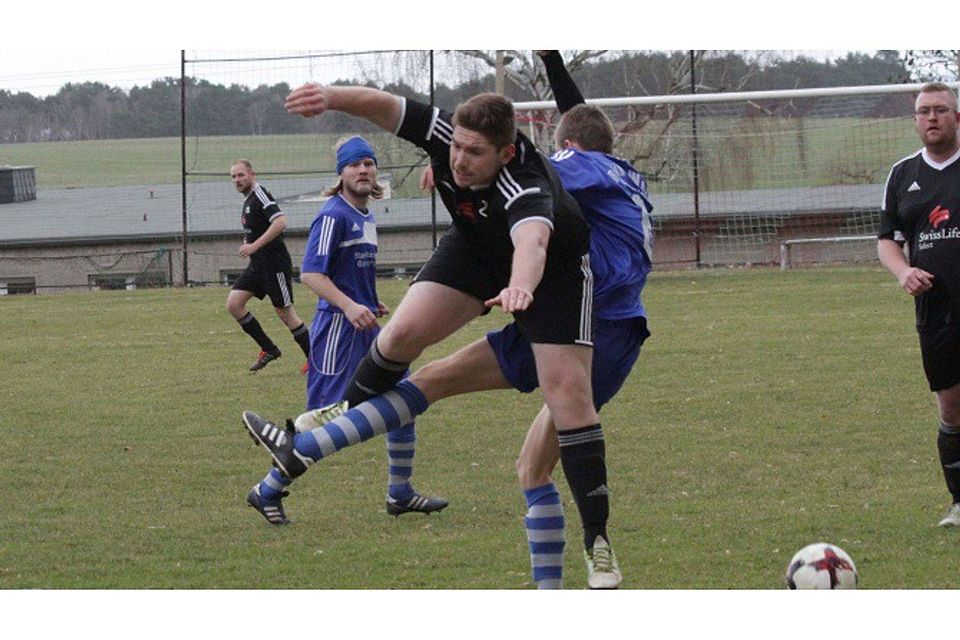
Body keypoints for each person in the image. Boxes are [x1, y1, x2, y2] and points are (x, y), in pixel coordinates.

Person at [243, 80, 618, 587]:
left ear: (506, 153)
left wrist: (521, 288)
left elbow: (532, 243)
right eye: (456, 147)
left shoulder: (524, 183)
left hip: (552, 279)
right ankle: (342, 411)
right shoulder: (447, 135)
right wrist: (329, 96)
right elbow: (382, 105)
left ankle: (598, 541)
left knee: (569, 398)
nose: (459, 160)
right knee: (400, 335)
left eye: (475, 153)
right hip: (475, 253)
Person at [400, 50, 652, 589]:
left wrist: (450, 165)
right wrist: (553, 58)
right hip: (624, 333)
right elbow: (577, 118)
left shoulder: (572, 165)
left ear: (567, 147)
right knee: (532, 470)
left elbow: (520, 168)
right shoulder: (621, 171)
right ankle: (579, 570)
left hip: (582, 321)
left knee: (426, 379)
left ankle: (305, 450)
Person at [245, 138, 446, 523]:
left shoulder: (365, 215)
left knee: (405, 402)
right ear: (341, 173)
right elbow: (310, 274)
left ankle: (399, 493)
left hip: (366, 327)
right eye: (355, 165)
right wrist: (350, 305)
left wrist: (368, 302)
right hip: (338, 332)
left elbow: (348, 276)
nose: (364, 170)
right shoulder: (333, 215)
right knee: (330, 417)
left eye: (369, 163)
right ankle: (266, 489)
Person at [878, 81, 960, 527]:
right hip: (936, 310)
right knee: (950, 407)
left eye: (941, 110)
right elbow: (887, 243)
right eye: (924, 111)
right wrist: (904, 272)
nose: (932, 117)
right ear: (914, 120)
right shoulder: (901, 174)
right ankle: (959, 502)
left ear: (957, 117)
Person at [227, 159, 311, 372]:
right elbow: (259, 226)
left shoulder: (260, 194)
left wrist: (254, 245)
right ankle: (269, 349)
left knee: (285, 313)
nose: (237, 180)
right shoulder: (248, 200)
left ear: (252, 175)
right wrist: (249, 242)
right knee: (234, 304)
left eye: (241, 175)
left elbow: (280, 221)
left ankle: (316, 360)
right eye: (234, 176)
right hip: (258, 266)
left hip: (274, 264)